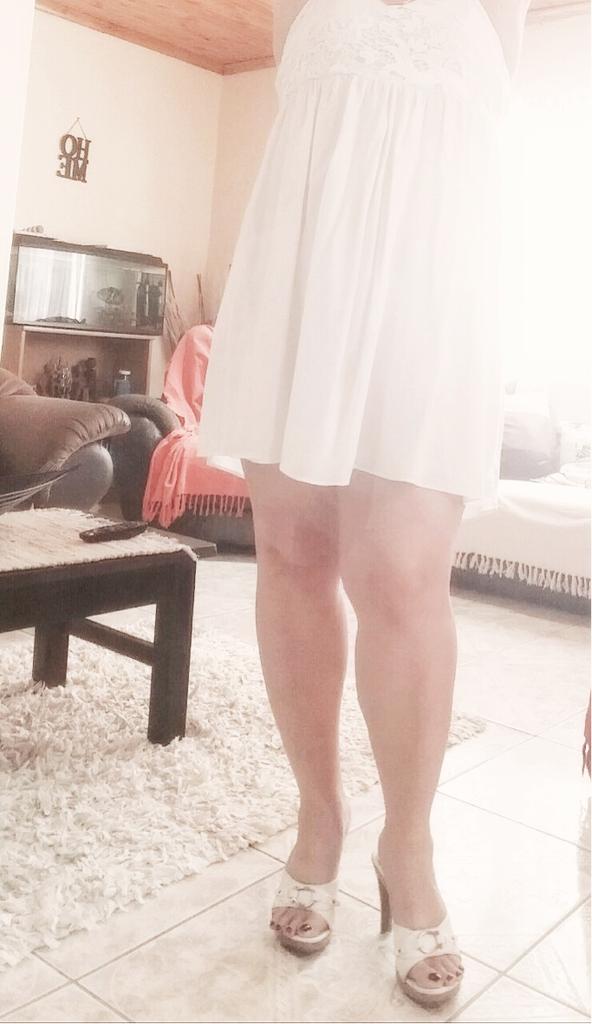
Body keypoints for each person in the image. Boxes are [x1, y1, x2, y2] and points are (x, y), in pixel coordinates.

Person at [198, 0, 531, 1008]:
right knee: (293, 552)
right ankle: (320, 817)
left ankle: (407, 845)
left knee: (401, 573)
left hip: (435, 275)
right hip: (303, 255)